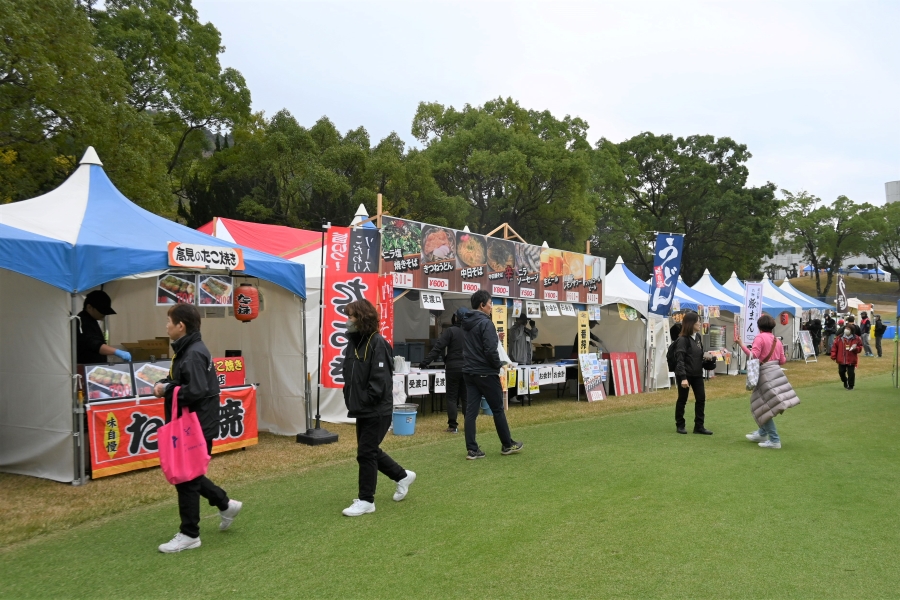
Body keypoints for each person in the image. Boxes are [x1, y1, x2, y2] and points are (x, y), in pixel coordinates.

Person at [153, 304, 241, 553]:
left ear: (181, 325)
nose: (166, 325)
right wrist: (166, 384)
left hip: (195, 425)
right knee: (189, 475)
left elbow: (196, 390)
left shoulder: (192, 352)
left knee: (187, 478)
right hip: (196, 423)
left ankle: (190, 533)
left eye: (169, 321)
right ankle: (224, 504)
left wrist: (167, 389)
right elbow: (187, 383)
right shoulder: (189, 350)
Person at [341, 299, 415, 517]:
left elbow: (380, 382)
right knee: (369, 450)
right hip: (361, 408)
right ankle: (402, 476)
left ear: (362, 317)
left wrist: (365, 399)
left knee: (365, 452)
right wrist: (352, 398)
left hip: (376, 409)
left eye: (352, 316)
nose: (348, 321)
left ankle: (366, 500)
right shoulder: (354, 343)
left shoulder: (378, 343)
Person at [459, 290, 523, 459]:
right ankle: (507, 444)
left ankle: (472, 449)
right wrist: (498, 365)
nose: (491, 306)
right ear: (482, 305)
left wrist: (495, 338)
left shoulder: (466, 323)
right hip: (485, 372)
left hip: (469, 371)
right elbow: (489, 350)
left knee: (471, 412)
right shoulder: (486, 323)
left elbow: (478, 344)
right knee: (497, 409)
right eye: (490, 303)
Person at [737, 314, 799, 449]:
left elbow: (754, 356)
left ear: (759, 327)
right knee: (764, 404)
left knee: (763, 406)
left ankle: (774, 439)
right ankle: (762, 433)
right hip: (776, 373)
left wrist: (741, 345)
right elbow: (783, 360)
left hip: (764, 374)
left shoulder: (759, 338)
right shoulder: (777, 340)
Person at [420, 313, 466, 433]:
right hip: (467, 368)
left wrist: (425, 362)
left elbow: (438, 347)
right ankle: (469, 425)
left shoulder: (451, 331)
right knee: (466, 398)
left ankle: (453, 426)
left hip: (453, 368)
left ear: (456, 318)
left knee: (451, 397)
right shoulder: (470, 331)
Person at [673, 311, 713, 436]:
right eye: (698, 321)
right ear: (691, 323)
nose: (700, 324)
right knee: (682, 399)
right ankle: (680, 424)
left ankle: (699, 426)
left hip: (697, 374)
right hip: (685, 374)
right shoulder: (682, 340)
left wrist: (706, 357)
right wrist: (683, 378)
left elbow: (698, 354)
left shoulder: (698, 337)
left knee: (701, 399)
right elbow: (680, 360)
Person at [76, 290, 131, 364]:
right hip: (86, 366)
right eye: (101, 311)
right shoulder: (82, 321)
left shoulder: (91, 319)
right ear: (89, 307)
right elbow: (94, 344)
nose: (104, 314)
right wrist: (117, 352)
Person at [831, 323, 863, 390]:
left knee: (851, 373)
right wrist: (833, 356)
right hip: (841, 358)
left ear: (851, 330)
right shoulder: (839, 338)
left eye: (848, 329)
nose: (846, 330)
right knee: (841, 372)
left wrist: (855, 348)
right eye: (846, 328)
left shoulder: (856, 338)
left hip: (851, 358)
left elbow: (860, 347)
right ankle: (845, 381)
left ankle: (851, 386)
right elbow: (834, 347)